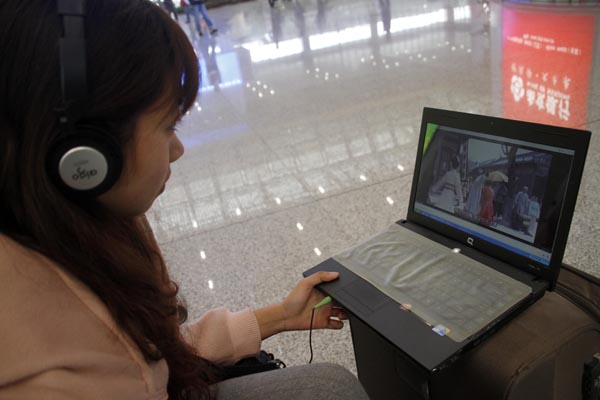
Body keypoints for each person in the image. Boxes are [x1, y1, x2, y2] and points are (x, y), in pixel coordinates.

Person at [0, 1, 368, 399]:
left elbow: (150, 358)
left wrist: (280, 316)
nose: (177, 149)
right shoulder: (40, 376)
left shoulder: (85, 221)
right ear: (85, 154)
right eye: (168, 125)